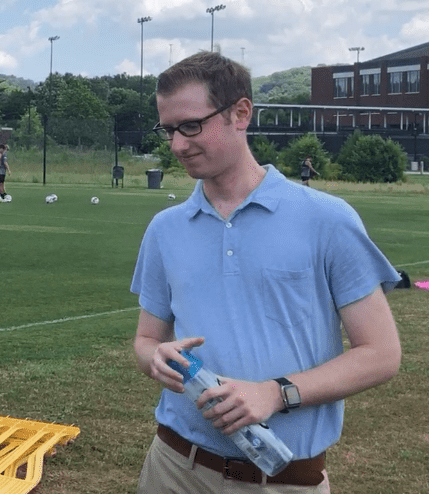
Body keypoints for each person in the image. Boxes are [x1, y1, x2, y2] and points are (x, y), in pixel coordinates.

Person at [131, 51, 401, 493]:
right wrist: (155, 358)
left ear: (241, 113)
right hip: (174, 468)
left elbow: (381, 354)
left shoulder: (327, 219)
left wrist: (275, 393)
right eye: (169, 130)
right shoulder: (165, 229)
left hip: (284, 480)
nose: (177, 145)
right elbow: (146, 341)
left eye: (191, 126)